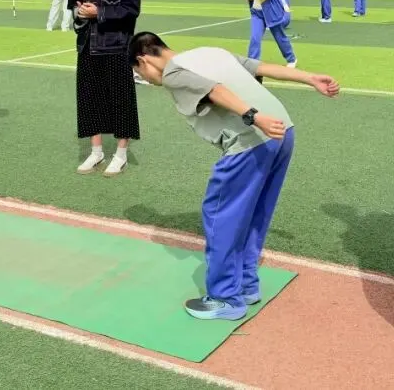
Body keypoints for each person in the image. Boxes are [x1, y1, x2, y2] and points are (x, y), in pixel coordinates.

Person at [128, 31, 340, 320]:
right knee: (254, 213)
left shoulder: (174, 73)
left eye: (139, 73)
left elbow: (215, 90)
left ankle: (226, 298)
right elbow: (260, 67)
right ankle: (247, 285)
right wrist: (310, 78)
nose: (146, 80)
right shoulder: (208, 51)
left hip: (254, 136)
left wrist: (253, 116)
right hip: (283, 130)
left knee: (220, 216)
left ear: (143, 60)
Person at [68, 0, 142, 177]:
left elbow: (131, 11)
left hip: (116, 47)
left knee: (121, 100)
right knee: (89, 99)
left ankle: (120, 154)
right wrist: (80, 13)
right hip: (87, 45)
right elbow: (73, 7)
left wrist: (99, 12)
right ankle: (96, 151)